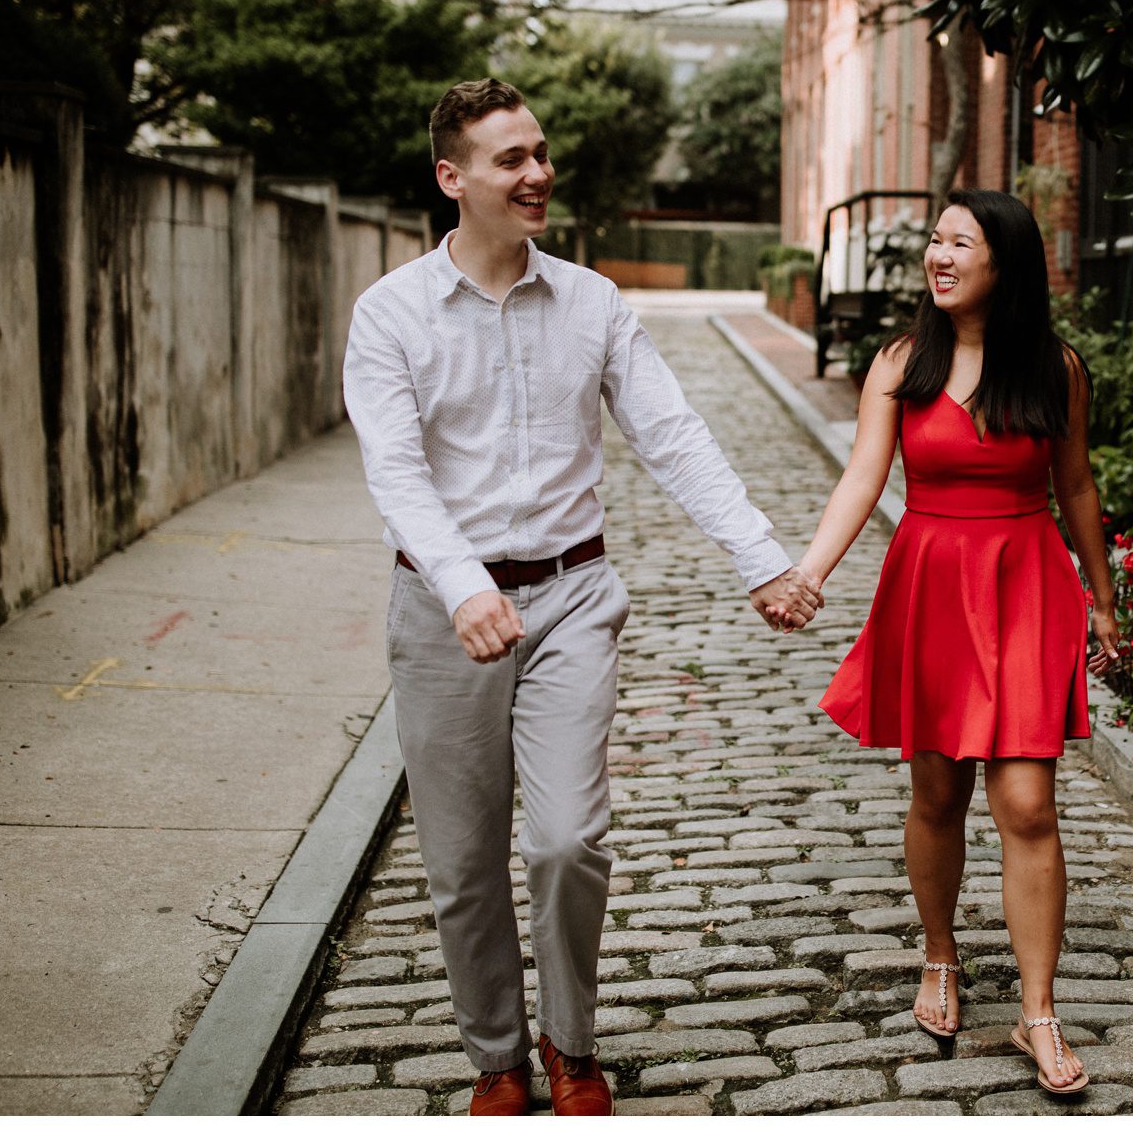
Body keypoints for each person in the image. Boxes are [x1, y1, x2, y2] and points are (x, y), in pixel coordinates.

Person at [342, 78, 823, 1116]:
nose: (536, 173)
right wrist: (461, 584)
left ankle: (571, 1044)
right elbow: (395, 470)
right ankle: (497, 1059)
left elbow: (672, 435)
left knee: (566, 838)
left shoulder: (592, 301)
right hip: (440, 612)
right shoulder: (389, 314)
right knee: (463, 860)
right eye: (511, 158)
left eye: (540, 152)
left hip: (569, 597)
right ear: (451, 176)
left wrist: (761, 557)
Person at [802, 188, 1122, 1095]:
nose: (939, 257)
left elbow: (1078, 488)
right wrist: (812, 572)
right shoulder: (903, 362)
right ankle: (940, 955)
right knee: (938, 791)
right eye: (935, 242)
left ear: (1004, 263)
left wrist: (1103, 599)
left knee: (1027, 804)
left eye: (959, 243)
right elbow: (863, 478)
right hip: (935, 585)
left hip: (1023, 585)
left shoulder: (1055, 367)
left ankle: (1037, 1012)